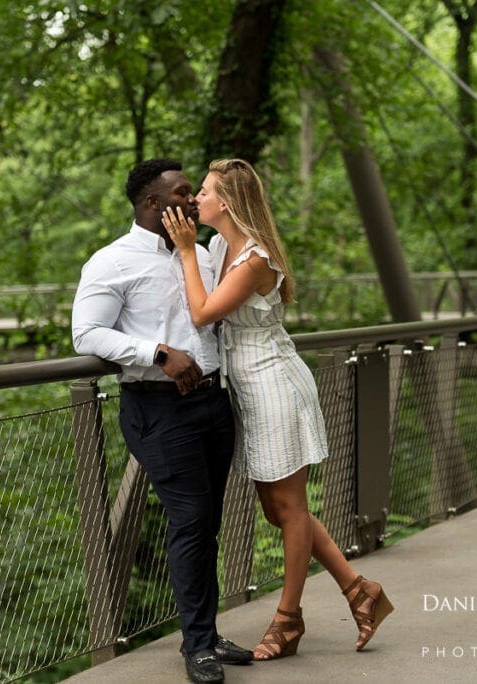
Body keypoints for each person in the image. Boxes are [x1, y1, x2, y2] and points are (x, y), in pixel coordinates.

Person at [161, 158, 394, 661]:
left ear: (225, 202)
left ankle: (288, 621)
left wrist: (183, 252)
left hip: (274, 385)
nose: (194, 200)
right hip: (246, 387)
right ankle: (360, 590)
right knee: (279, 509)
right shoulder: (221, 245)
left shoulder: (255, 260)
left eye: (203, 192)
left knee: (288, 509)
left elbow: (203, 313)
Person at [72, 158, 254, 683]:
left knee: (208, 524)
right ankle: (196, 646)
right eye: (182, 192)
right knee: (191, 520)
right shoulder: (112, 261)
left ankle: (207, 632)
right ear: (153, 204)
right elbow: (86, 335)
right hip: (157, 409)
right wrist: (156, 352)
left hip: (213, 405)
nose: (194, 200)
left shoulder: (199, 254)